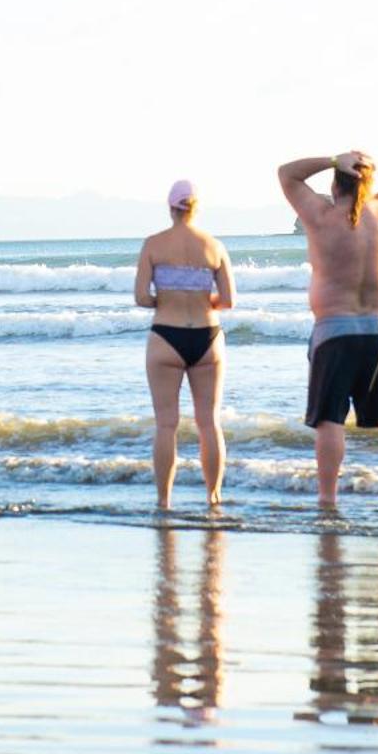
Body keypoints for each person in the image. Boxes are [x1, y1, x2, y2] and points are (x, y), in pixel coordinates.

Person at [278, 150, 378, 508]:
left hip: (334, 332)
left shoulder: (322, 215)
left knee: (329, 420)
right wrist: (374, 165)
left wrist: (333, 160)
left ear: (335, 184)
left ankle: (327, 499)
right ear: (367, 183)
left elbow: (287, 173)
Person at [133, 180, 235, 510]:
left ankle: (164, 501)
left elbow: (141, 298)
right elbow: (229, 300)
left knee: (166, 424)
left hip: (166, 335)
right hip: (208, 337)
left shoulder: (153, 244)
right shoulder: (214, 246)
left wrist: (166, 300)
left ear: (170, 208)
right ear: (195, 207)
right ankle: (214, 497)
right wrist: (203, 300)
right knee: (209, 422)